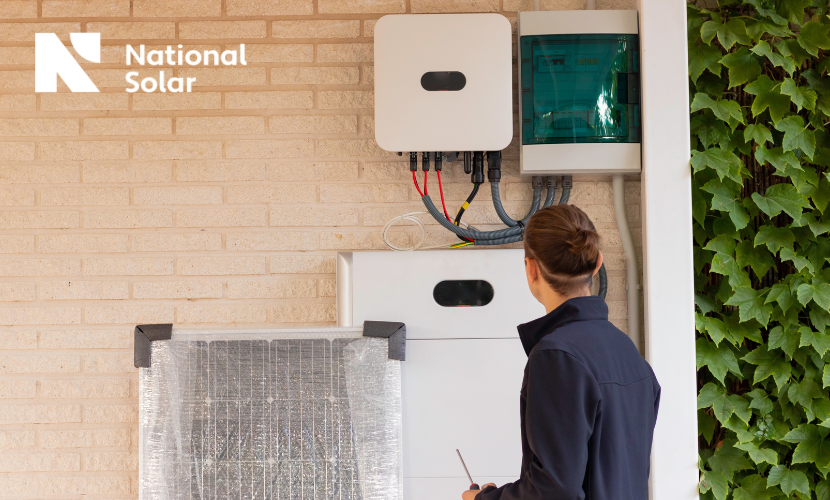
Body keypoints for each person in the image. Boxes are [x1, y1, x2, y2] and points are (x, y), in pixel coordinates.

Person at [463, 204, 660, 500]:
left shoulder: (556, 356)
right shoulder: (628, 352)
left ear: (531, 269)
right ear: (597, 264)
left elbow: (555, 490)